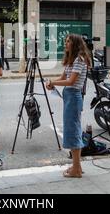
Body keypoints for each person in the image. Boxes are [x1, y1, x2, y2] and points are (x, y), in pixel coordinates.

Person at [46, 34, 91, 178]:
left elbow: (71, 81)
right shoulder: (72, 60)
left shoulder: (79, 59)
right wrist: (52, 82)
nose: (65, 44)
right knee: (73, 130)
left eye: (68, 42)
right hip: (69, 96)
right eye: (65, 41)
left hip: (73, 95)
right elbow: (63, 78)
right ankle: (77, 165)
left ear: (75, 44)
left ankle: (76, 170)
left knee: (73, 131)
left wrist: (53, 83)